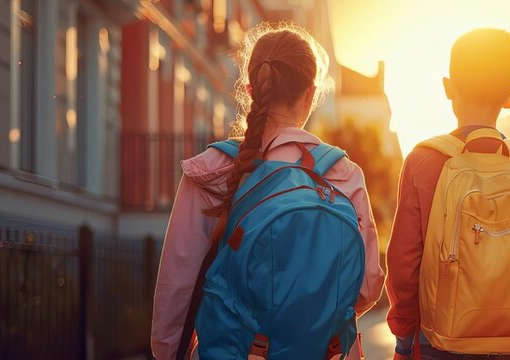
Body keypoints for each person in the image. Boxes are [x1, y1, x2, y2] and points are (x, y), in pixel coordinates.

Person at [150, 23, 383, 360]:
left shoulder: (211, 170)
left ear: (251, 89)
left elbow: (176, 288)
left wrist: (167, 352)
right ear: (309, 95)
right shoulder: (344, 174)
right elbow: (368, 286)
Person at [385, 28, 510, 359]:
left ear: (448, 87)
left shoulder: (424, 162)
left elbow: (403, 270)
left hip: (436, 343)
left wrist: (405, 339)